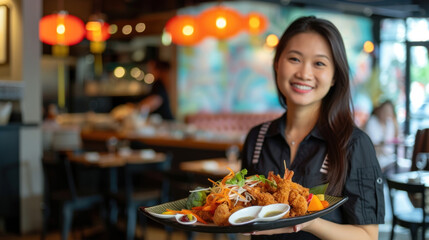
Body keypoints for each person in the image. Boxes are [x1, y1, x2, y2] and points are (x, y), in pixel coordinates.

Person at [241, 16, 384, 240]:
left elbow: (368, 235)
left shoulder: (353, 144)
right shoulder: (257, 138)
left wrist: (309, 223)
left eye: (319, 63)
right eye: (294, 59)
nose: (304, 74)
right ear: (277, 63)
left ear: (335, 75)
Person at [364, 100, 399, 169]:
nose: (386, 113)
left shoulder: (390, 123)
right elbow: (375, 145)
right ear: (379, 110)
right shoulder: (372, 122)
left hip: (388, 158)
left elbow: (395, 137)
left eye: (389, 111)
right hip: (375, 158)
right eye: (384, 110)